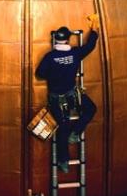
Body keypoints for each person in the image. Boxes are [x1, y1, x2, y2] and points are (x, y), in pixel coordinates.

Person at [35, 14, 100, 173]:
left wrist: (54, 74)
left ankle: (63, 162)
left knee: (62, 128)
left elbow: (40, 74)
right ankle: (76, 132)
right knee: (91, 109)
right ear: (68, 40)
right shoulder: (75, 53)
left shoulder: (50, 57)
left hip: (56, 100)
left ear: (55, 40)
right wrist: (94, 28)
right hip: (72, 96)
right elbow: (90, 46)